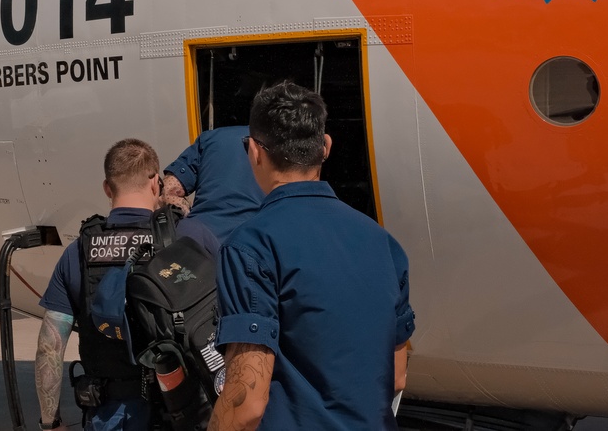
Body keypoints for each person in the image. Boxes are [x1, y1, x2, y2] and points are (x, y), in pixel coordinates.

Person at [211, 81, 415, 430]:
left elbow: (246, 402)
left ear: (254, 153)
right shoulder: (384, 243)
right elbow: (395, 378)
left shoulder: (251, 244)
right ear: (326, 147)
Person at [35, 138, 218, 431]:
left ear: (107, 188)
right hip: (186, 408)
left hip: (112, 415)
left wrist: (50, 421)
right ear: (156, 183)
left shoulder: (80, 251)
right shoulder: (194, 236)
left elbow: (50, 347)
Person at [162, 125, 265, 242]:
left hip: (199, 245)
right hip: (253, 245)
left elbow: (169, 191)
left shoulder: (211, 138)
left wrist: (190, 222)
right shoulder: (278, 145)